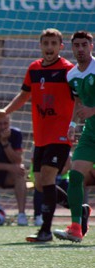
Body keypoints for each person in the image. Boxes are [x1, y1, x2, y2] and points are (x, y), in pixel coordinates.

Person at [0, 28, 89, 242]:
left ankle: (45, 230)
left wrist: (75, 124)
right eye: (46, 43)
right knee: (40, 184)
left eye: (54, 43)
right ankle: (79, 210)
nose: (49, 47)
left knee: (47, 177)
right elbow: (24, 94)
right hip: (41, 135)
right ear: (40, 46)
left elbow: (80, 98)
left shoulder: (68, 71)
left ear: (61, 47)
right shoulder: (33, 69)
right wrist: (6, 111)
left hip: (61, 135)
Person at [54, 31, 95, 243]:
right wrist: (72, 124)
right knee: (76, 176)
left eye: (84, 45)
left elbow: (88, 107)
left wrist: (93, 110)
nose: (80, 49)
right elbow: (78, 102)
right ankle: (76, 227)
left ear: (91, 46)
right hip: (90, 133)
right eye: (76, 45)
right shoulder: (71, 75)